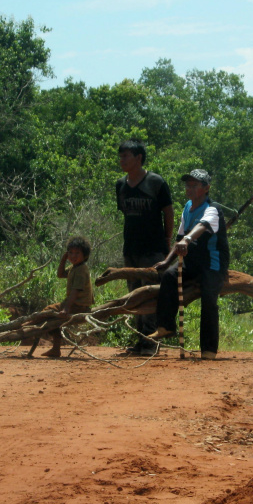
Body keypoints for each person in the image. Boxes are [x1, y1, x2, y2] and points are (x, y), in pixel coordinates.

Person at [150, 169, 229, 360]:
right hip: (192, 261)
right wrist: (167, 260)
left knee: (209, 298)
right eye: (188, 185)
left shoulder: (212, 209)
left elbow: (201, 227)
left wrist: (187, 239)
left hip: (213, 263)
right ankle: (166, 326)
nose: (189, 188)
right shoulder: (187, 207)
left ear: (206, 188)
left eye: (194, 185)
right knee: (169, 276)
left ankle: (209, 349)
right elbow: (179, 238)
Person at [115, 139, 174, 356]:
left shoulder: (156, 182)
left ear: (138, 158)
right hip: (130, 250)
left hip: (153, 250)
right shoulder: (120, 185)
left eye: (125, 156)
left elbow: (168, 213)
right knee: (134, 296)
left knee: (150, 295)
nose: (121, 160)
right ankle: (140, 341)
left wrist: (167, 243)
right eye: (120, 156)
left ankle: (151, 342)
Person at [26, 236, 93, 359]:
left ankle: (27, 325)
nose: (73, 256)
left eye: (77, 253)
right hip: (74, 304)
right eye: (70, 253)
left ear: (85, 255)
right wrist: (63, 260)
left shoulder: (81, 270)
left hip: (78, 306)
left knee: (47, 311)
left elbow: (76, 291)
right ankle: (55, 349)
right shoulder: (75, 267)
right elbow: (60, 274)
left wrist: (66, 308)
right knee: (52, 320)